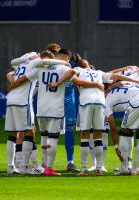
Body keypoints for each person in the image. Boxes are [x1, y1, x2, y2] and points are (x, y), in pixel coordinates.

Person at [6, 50, 69, 175]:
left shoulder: (21, 65)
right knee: (29, 132)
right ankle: (24, 166)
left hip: (10, 100)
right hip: (23, 101)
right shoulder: (36, 65)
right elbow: (44, 62)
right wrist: (64, 62)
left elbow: (11, 70)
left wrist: (13, 83)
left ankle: (11, 166)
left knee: (13, 134)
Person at [105, 84, 139, 175]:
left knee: (125, 132)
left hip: (137, 102)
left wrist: (116, 147)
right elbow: (121, 82)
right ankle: (135, 169)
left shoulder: (106, 102)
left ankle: (124, 168)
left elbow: (113, 128)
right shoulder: (116, 88)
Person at [46, 43, 80, 172]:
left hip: (55, 103)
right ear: (67, 57)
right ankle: (69, 162)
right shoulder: (65, 67)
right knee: (63, 132)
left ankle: (46, 164)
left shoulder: (47, 66)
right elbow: (78, 82)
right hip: (65, 102)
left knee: (49, 133)